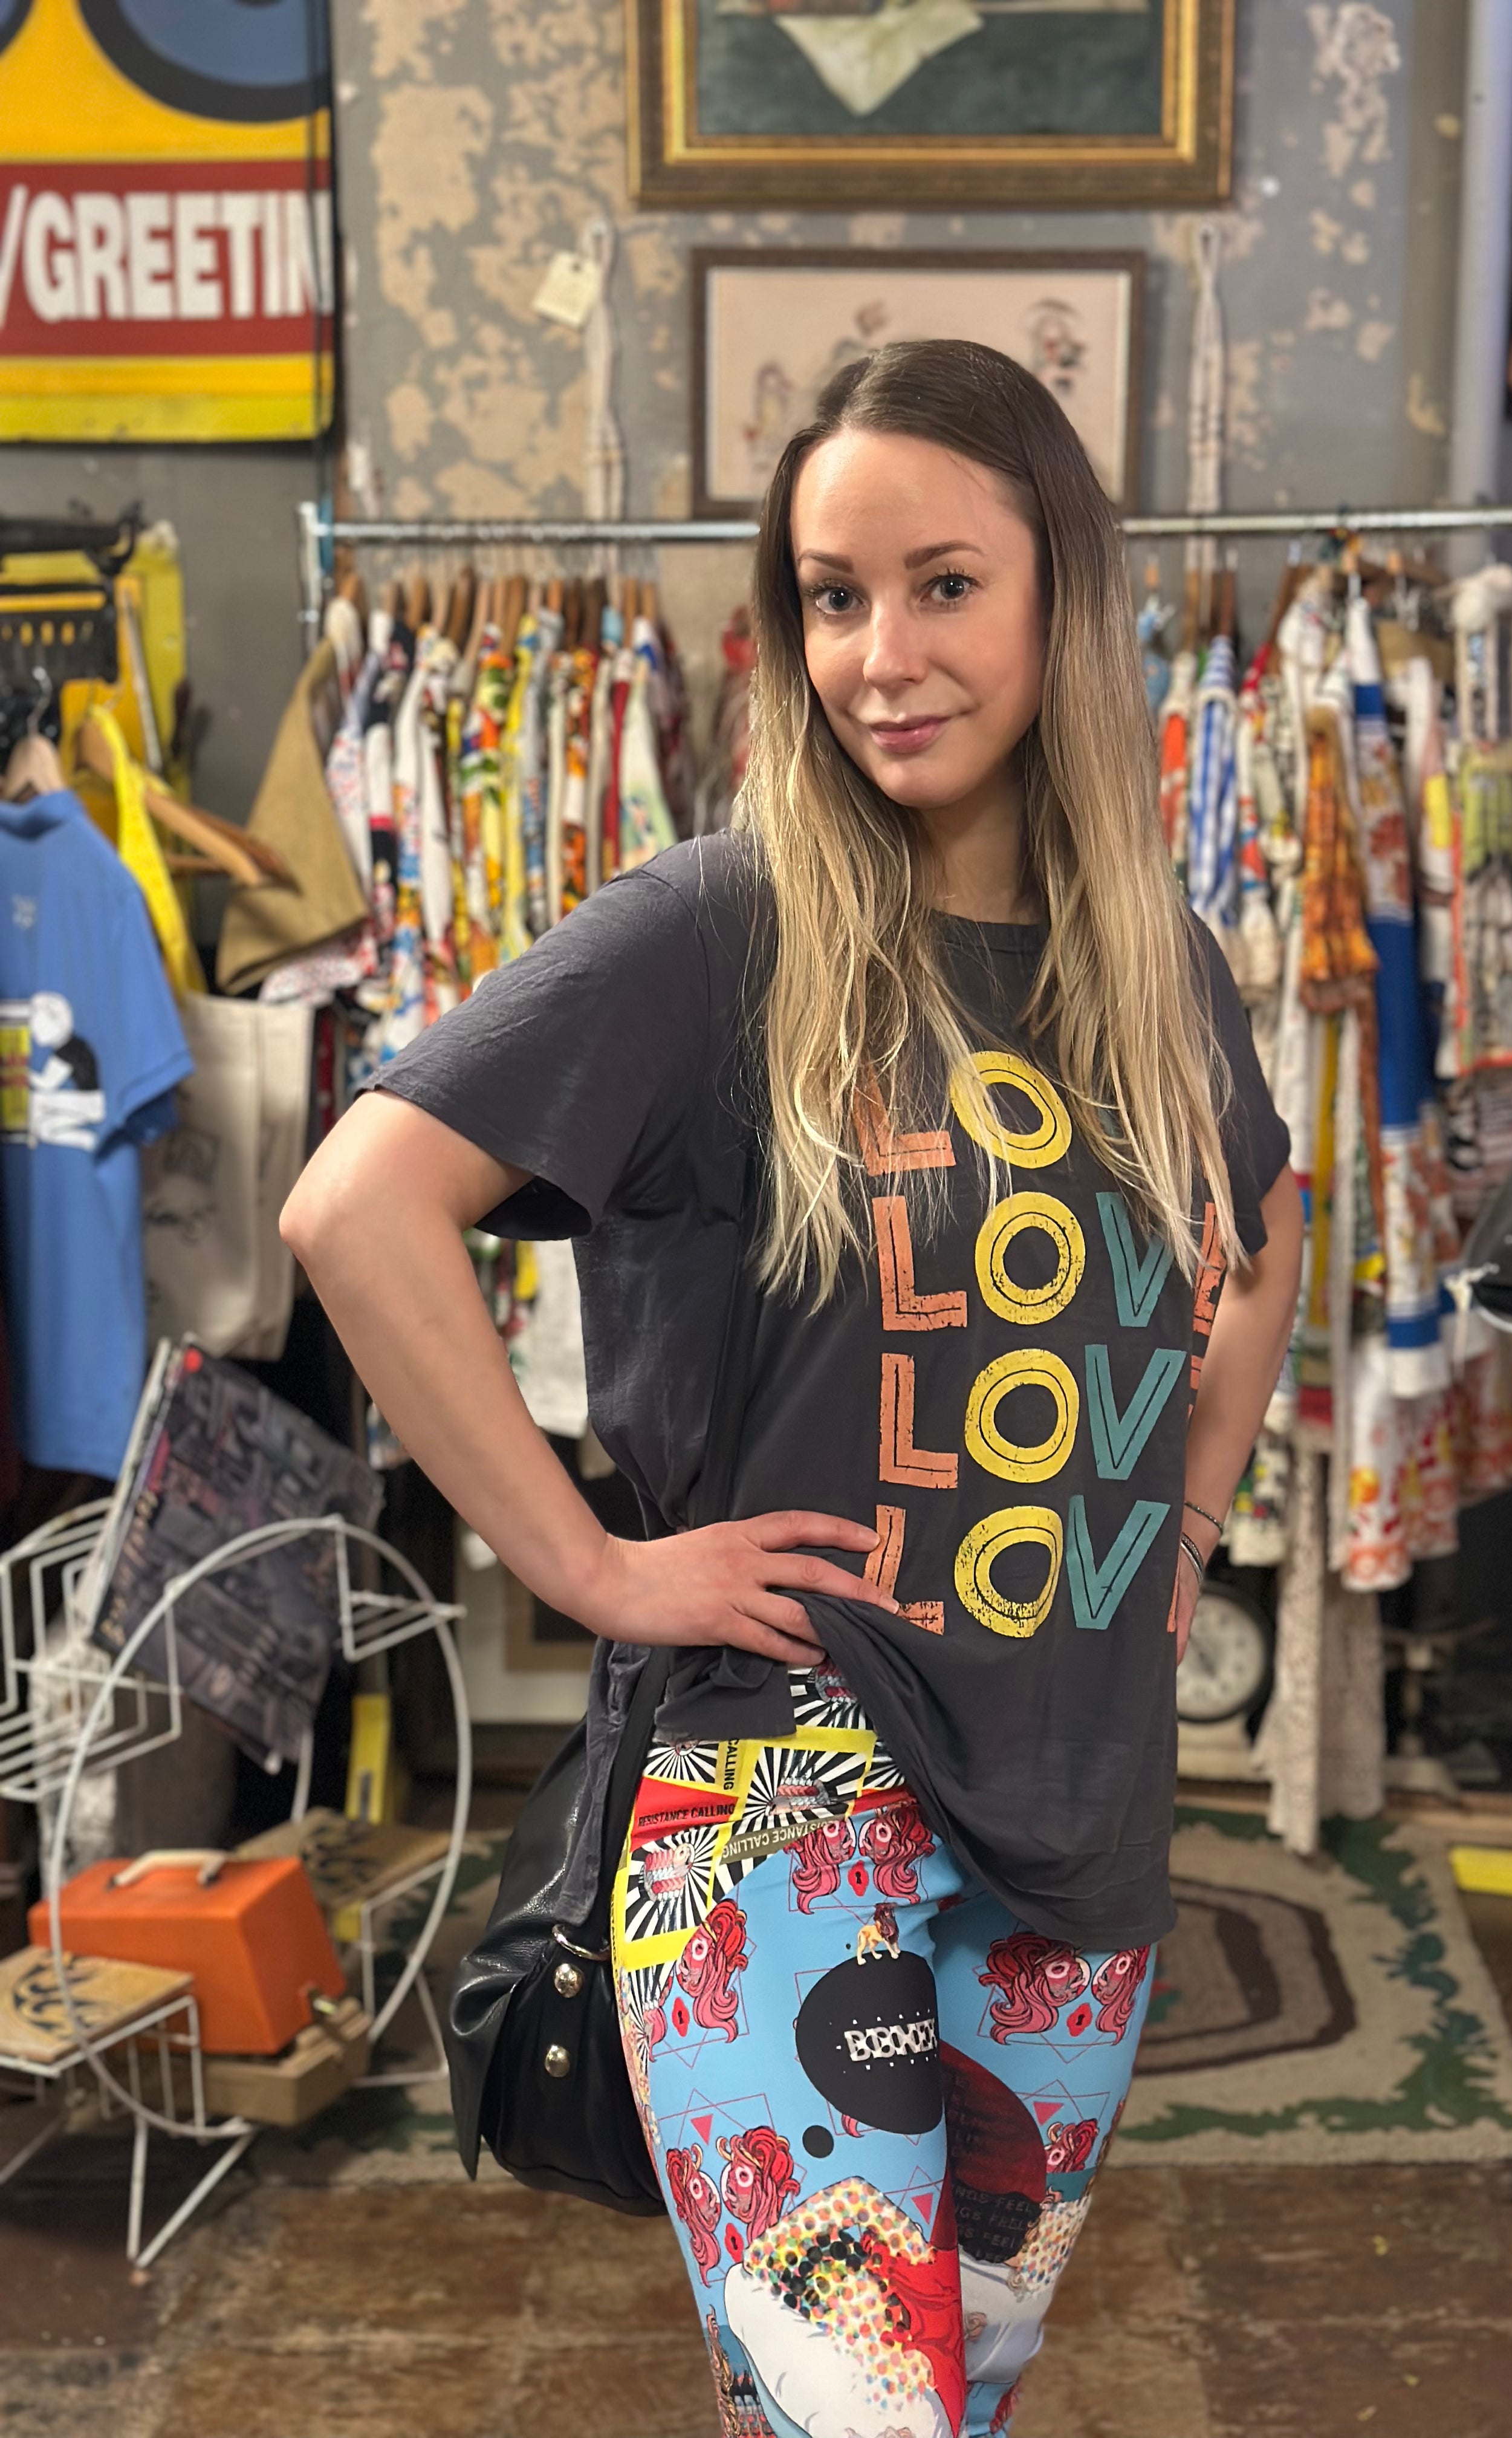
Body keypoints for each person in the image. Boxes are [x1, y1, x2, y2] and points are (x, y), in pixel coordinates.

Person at [282, 339, 1302, 2438]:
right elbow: (357, 1210)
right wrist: (589, 1567)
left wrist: (1182, 1519)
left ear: (1058, 601)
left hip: (1076, 1809)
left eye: (942, 584)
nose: (879, 654)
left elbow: (1259, 1237)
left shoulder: (1159, 962)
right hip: (778, 1796)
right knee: (872, 2415)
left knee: (945, 2386)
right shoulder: (721, 931)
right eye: (831, 596)